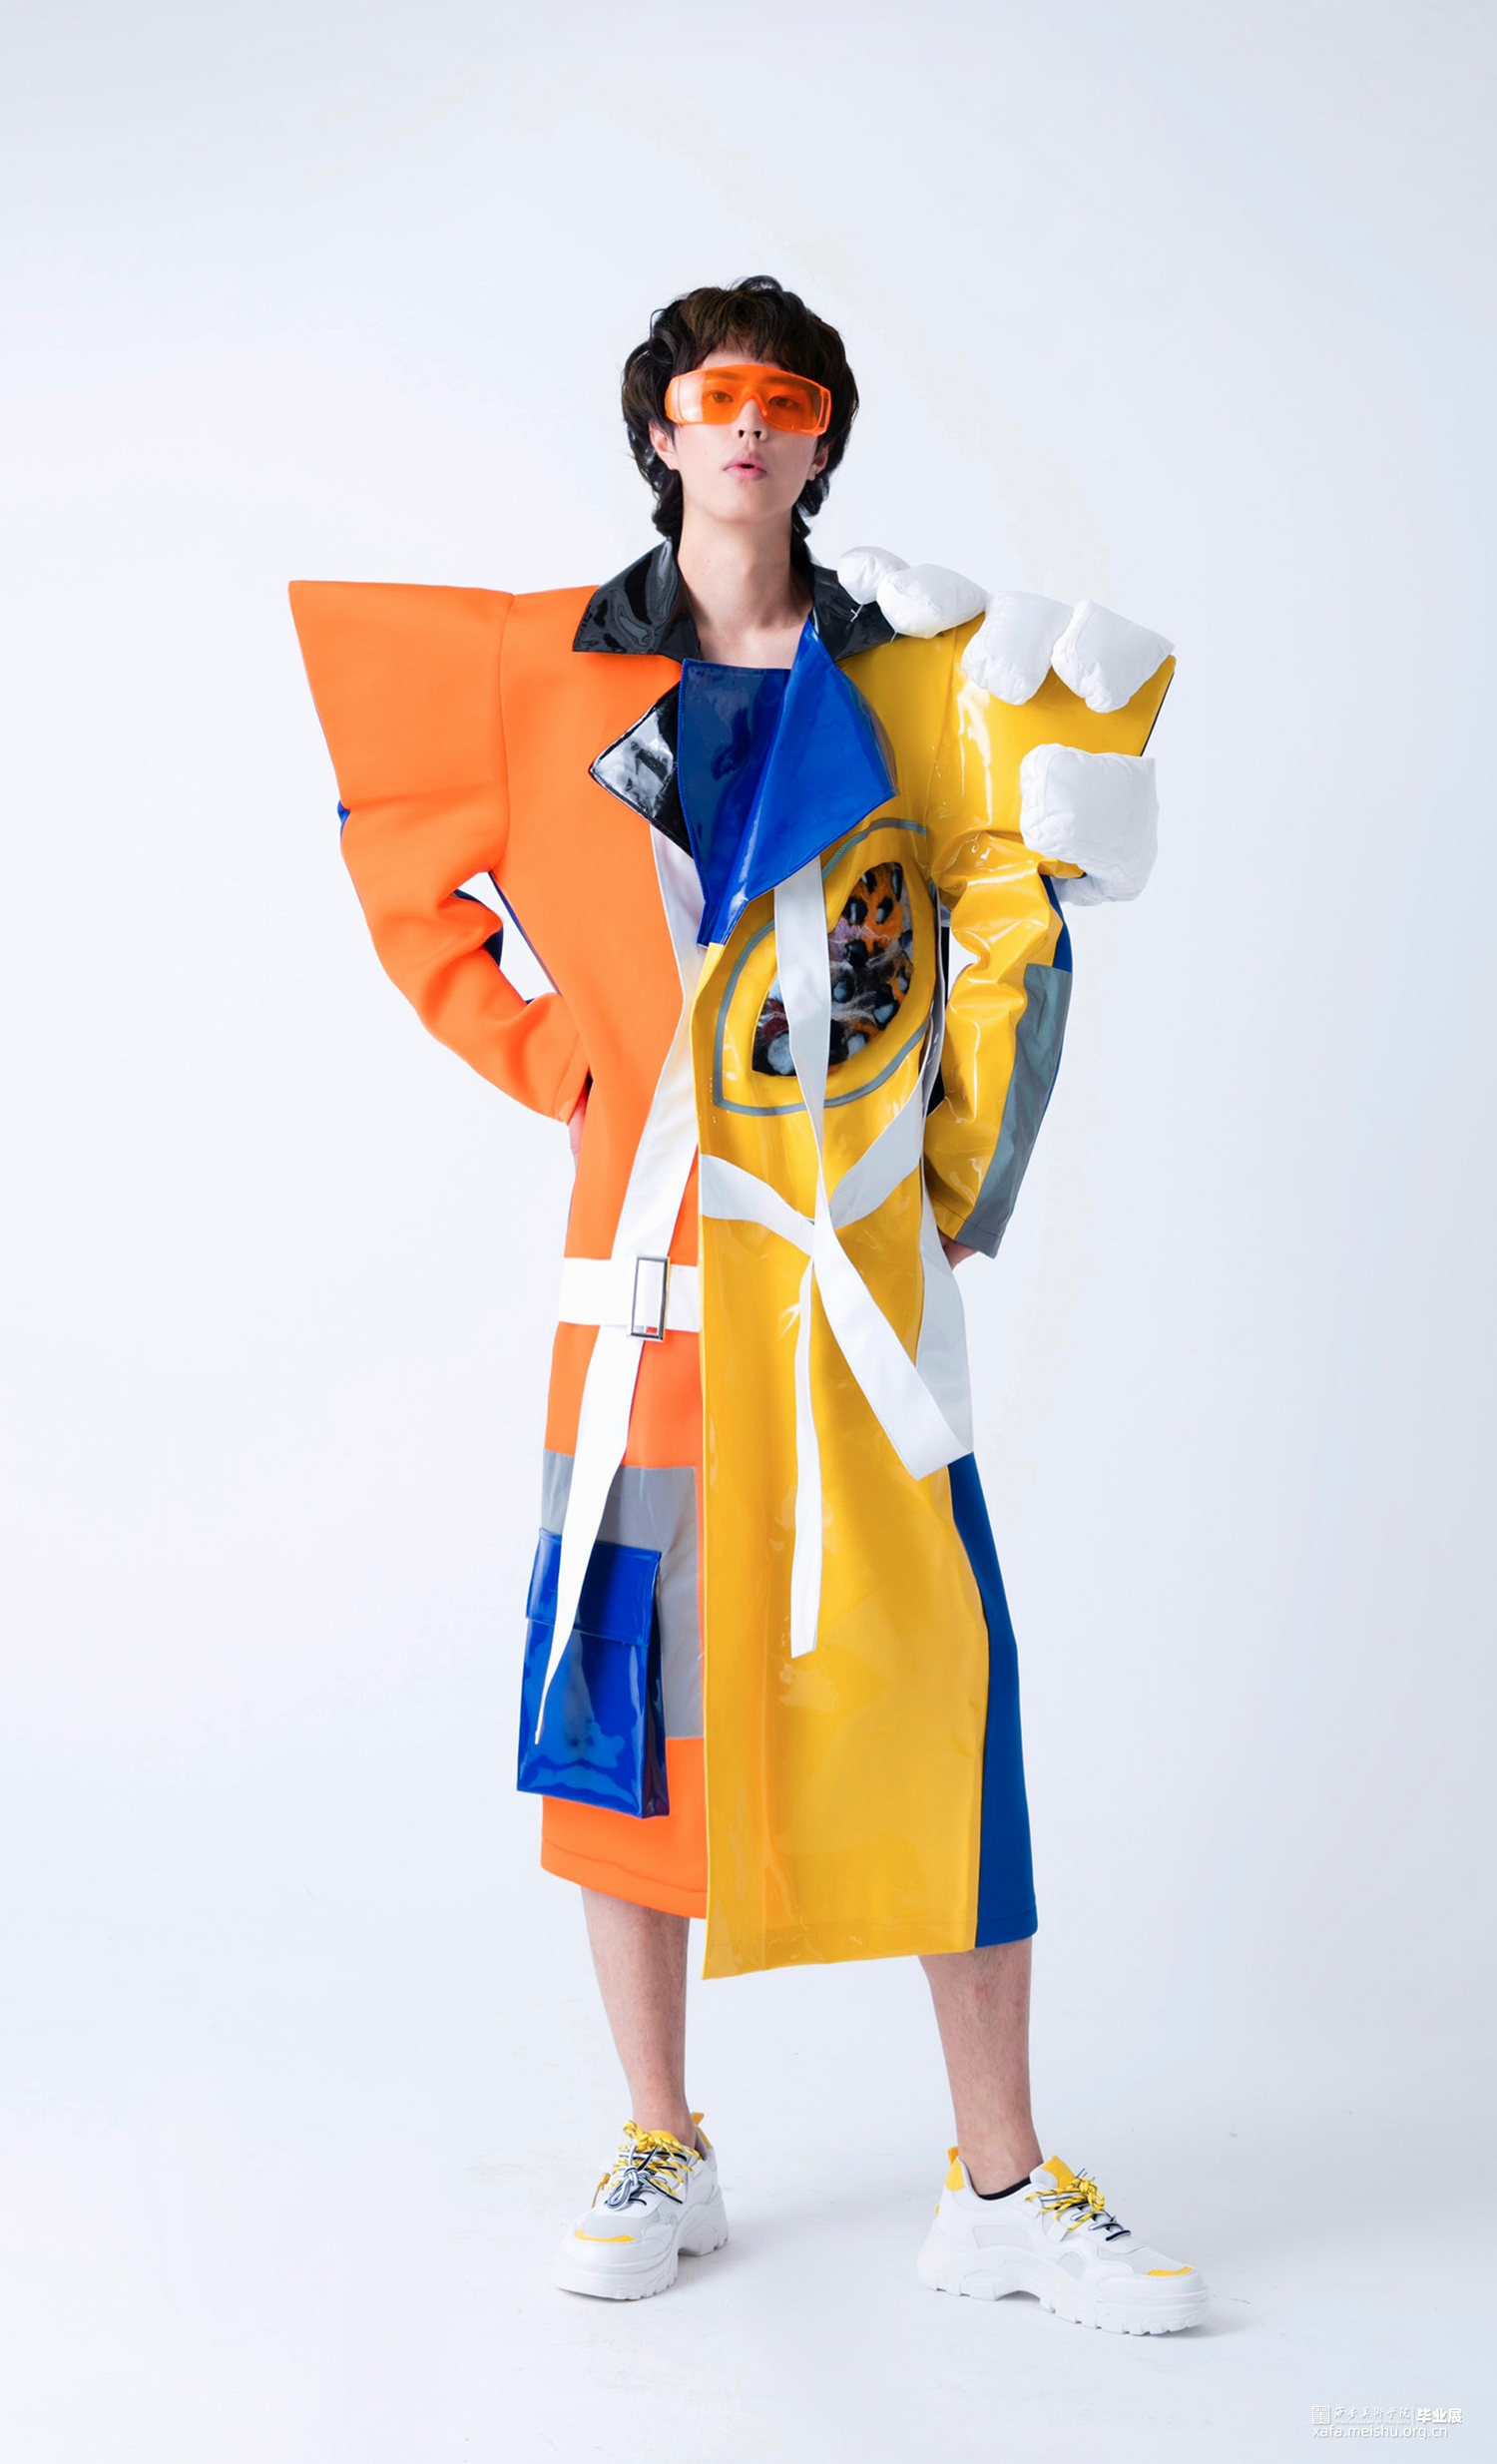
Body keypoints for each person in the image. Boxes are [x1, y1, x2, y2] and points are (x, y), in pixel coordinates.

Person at [290, 276, 1208, 2334]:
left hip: (847, 1288)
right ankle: (661, 2134)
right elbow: (396, 841)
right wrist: (558, 1061)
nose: (746, 428)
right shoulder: (542, 671)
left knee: (938, 1692)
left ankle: (999, 2180)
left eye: (785, 400)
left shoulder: (912, 682)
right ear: (660, 430)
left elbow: (1008, 916)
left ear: (819, 441)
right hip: (642, 1296)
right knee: (621, 1705)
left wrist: (954, 1163)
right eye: (712, 396)